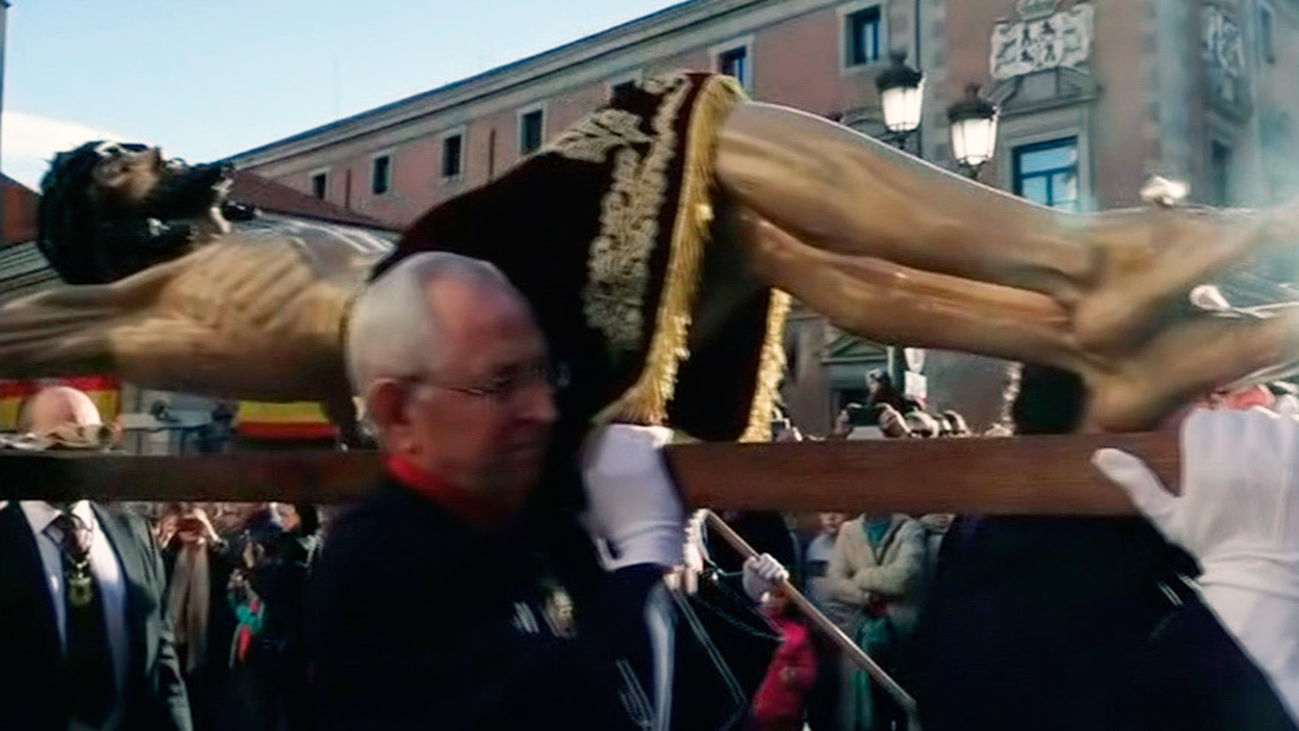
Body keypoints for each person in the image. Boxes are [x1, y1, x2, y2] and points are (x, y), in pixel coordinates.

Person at [307, 252, 689, 729]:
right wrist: (644, 555)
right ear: (400, 413)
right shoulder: (380, 568)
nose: (544, 410)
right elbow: (576, 708)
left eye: (543, 375)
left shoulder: (522, 522)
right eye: (501, 383)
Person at [917, 365, 1298, 730]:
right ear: (1107, 411)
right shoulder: (1031, 563)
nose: (1259, 402)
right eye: (1212, 394)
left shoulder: (1148, 539)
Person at [0, 386, 192, 731]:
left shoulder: (134, 534)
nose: (79, 454)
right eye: (62, 439)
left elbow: (162, 668)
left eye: (91, 439)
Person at [827, 512, 926, 730]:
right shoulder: (849, 530)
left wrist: (861, 577)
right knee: (867, 707)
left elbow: (902, 578)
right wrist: (866, 597)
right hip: (863, 632)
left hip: (903, 633)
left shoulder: (910, 528)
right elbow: (835, 582)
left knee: (906, 705)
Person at [750, 586, 818, 731]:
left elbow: (810, 672)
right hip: (750, 710)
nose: (772, 600)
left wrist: (794, 675)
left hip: (781, 712)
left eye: (779, 596)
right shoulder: (748, 625)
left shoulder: (798, 634)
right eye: (767, 593)